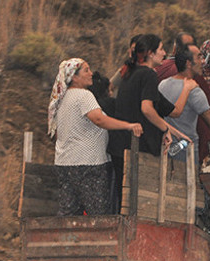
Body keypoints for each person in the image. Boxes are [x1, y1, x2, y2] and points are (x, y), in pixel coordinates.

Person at [47, 58, 143, 216]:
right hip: (88, 164)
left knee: (69, 211)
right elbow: (98, 119)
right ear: (74, 77)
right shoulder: (84, 96)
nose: (91, 74)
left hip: (64, 163)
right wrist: (128, 125)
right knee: (97, 212)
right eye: (86, 70)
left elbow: (58, 132)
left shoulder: (61, 99)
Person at [109, 34, 191, 207]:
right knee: (138, 202)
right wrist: (165, 130)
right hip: (137, 146)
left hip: (120, 145)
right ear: (150, 54)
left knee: (122, 199)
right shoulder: (148, 75)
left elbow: (145, 112)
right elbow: (147, 109)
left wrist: (174, 132)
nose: (164, 53)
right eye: (161, 49)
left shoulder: (130, 73)